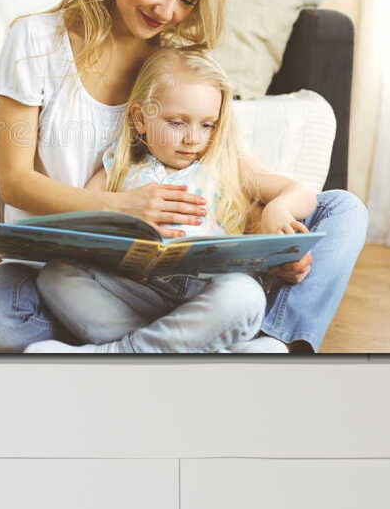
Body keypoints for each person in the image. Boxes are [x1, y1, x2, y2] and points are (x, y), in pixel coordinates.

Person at [0, 0, 365, 354]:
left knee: (342, 211)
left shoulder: (174, 65)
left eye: (187, 0)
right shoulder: (35, 42)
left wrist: (272, 228)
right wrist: (119, 207)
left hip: (173, 278)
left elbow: (226, 174)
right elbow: (14, 181)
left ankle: (271, 343)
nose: (167, 11)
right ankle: (210, 343)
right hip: (78, 271)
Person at [28, 48, 287, 354]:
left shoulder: (224, 165)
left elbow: (298, 193)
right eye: (177, 123)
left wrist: (278, 209)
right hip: (137, 290)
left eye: (207, 125)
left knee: (246, 295)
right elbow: (85, 224)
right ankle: (198, 351)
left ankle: (119, 355)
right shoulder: (119, 167)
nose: (193, 138)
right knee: (57, 274)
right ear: (140, 119)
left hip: (203, 292)